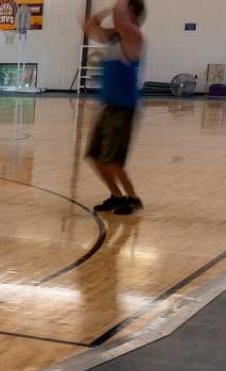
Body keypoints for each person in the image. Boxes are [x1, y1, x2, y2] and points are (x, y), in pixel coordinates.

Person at [82, 0, 147, 215]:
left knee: (113, 161)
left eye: (124, 11)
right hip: (108, 107)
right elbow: (89, 25)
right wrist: (107, 10)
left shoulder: (134, 37)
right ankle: (117, 196)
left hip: (123, 109)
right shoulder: (112, 39)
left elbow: (120, 15)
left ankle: (132, 198)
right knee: (96, 157)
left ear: (133, 15)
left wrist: (119, 7)